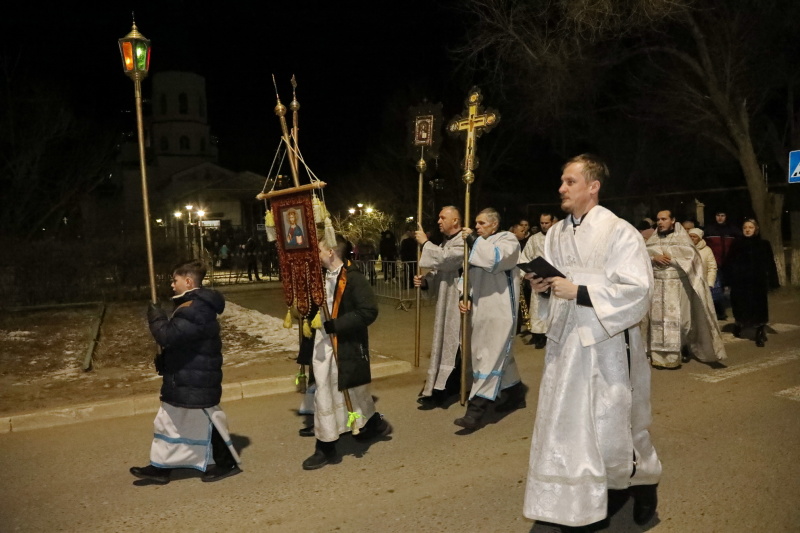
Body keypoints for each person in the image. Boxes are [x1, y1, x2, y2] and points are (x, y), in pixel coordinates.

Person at [523, 154, 660, 528]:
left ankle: (643, 483)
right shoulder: (555, 234)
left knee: (614, 423)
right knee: (567, 422)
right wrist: (544, 287)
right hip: (566, 344)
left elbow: (638, 292)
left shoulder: (620, 232)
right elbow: (554, 285)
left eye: (570, 182)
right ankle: (575, 498)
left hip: (609, 344)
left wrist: (579, 291)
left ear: (593, 186)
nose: (561, 188)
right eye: (562, 181)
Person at [130, 260, 241, 485]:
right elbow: (183, 342)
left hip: (197, 377)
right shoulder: (190, 305)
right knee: (169, 421)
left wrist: (155, 316)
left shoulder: (196, 308)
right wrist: (167, 360)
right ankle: (160, 467)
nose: (172, 285)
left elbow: (168, 335)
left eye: (175, 280)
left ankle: (226, 463)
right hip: (186, 374)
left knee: (209, 420)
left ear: (188, 281)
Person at [303, 235, 392, 470]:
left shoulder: (353, 279)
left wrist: (337, 324)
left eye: (320, 250)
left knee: (354, 391)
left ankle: (370, 424)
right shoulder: (320, 277)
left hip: (346, 345)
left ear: (331, 252)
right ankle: (327, 445)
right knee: (326, 392)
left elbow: (368, 311)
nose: (317, 255)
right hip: (324, 344)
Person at [455, 208, 526, 430]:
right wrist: (464, 294)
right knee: (494, 354)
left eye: (482, 223)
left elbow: (496, 260)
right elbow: (467, 274)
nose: (477, 227)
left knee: (490, 356)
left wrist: (474, 241)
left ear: (494, 225)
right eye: (476, 223)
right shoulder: (476, 246)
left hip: (501, 310)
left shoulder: (508, 240)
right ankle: (515, 394)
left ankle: (475, 410)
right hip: (481, 309)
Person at [645, 210, 726, 369]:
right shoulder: (652, 240)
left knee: (681, 322)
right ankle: (659, 357)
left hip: (678, 286)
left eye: (664, 219)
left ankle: (680, 349)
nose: (660, 222)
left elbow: (693, 260)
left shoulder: (683, 239)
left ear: (673, 220)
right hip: (657, 287)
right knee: (657, 322)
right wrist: (653, 258)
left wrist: (672, 259)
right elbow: (640, 257)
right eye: (658, 219)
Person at [413, 206, 464, 409]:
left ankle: (445, 388)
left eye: (443, 217)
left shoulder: (463, 240)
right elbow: (439, 269)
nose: (438, 221)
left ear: (455, 220)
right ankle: (437, 385)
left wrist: (425, 243)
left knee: (455, 343)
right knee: (443, 342)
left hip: (459, 299)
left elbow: (447, 260)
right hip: (445, 298)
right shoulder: (447, 241)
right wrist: (426, 281)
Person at [724, 218, 779, 347]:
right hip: (739, 282)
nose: (747, 230)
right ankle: (739, 324)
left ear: (756, 229)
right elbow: (729, 263)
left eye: (751, 227)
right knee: (739, 305)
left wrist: (772, 281)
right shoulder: (736, 244)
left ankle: (760, 331)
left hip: (757, 282)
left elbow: (770, 264)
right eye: (745, 228)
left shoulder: (764, 244)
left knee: (758, 306)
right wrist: (728, 280)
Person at [519, 212, 558, 349]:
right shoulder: (534, 239)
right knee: (537, 309)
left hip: (555, 278)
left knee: (553, 309)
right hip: (538, 278)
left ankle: (551, 335)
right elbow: (525, 256)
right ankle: (538, 336)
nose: (544, 225)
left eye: (546, 223)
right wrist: (525, 272)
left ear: (552, 222)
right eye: (542, 223)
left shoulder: (559, 237)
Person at [704, 211, 740, 320]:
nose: (720, 218)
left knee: (728, 288)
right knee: (716, 288)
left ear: (726, 217)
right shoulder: (709, 229)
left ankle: (735, 309)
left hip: (730, 263)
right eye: (718, 215)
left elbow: (738, 245)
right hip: (715, 263)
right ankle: (719, 312)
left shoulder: (733, 230)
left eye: (722, 215)